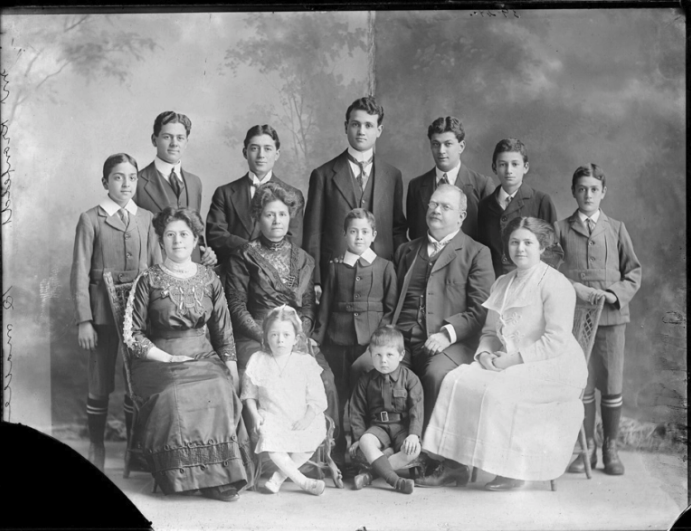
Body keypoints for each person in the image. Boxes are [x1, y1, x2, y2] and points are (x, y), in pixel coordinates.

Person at [418, 217, 588, 491]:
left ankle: (511, 471)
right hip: (504, 358)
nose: (520, 249)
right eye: (514, 242)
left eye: (528, 243)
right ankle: (453, 466)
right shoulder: (502, 283)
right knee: (456, 381)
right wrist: (484, 355)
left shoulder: (556, 284)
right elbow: (488, 332)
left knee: (499, 392)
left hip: (551, 365)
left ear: (541, 246)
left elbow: (555, 341)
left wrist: (510, 361)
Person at [123, 207, 254, 502]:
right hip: (158, 359)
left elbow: (222, 332)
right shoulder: (148, 280)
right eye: (170, 235)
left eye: (184, 234)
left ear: (195, 240)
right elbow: (134, 335)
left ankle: (218, 479)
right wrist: (166, 358)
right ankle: (183, 476)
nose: (177, 241)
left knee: (220, 387)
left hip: (203, 355)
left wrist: (231, 368)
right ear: (161, 241)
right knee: (174, 393)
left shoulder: (209, 279)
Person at [353, 184, 494, 425]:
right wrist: (385, 335)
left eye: (445, 207)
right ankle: (377, 441)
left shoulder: (476, 252)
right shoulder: (406, 250)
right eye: (433, 204)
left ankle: (427, 450)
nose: (436, 210)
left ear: (461, 217)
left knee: (436, 375)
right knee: (364, 366)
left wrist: (447, 335)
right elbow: (391, 301)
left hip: (450, 343)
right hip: (401, 340)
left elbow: (481, 309)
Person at [70, 153, 161, 472]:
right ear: (105, 182)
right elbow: (80, 272)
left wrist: (156, 315)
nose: (126, 183)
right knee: (99, 380)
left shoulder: (146, 219)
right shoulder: (90, 218)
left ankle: (132, 448)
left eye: (132, 177)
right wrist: (84, 320)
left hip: (136, 318)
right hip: (101, 317)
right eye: (119, 177)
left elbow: (156, 271)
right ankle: (96, 446)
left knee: (133, 380)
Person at [224, 182, 339, 426]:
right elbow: (236, 306)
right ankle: (267, 456)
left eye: (282, 214)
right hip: (255, 333)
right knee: (265, 378)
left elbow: (307, 308)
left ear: (290, 217)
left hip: (294, 334)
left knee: (324, 379)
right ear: (258, 217)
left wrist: (298, 337)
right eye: (269, 214)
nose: (277, 221)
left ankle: (319, 456)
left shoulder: (304, 259)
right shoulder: (243, 255)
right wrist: (265, 337)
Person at [555, 164, 642, 476]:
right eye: (582, 188)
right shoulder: (561, 229)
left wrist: (613, 294)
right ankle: (586, 447)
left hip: (612, 319)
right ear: (574, 191)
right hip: (577, 321)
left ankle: (610, 448)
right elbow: (550, 273)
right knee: (584, 384)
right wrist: (575, 290)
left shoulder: (616, 228)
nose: (588, 194)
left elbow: (633, 272)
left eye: (594, 189)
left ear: (603, 192)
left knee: (612, 384)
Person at [302, 96, 407, 300]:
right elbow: (313, 233)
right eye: (355, 124)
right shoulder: (323, 175)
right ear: (346, 126)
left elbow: (397, 230)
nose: (361, 131)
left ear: (379, 130)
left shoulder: (392, 176)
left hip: (380, 276)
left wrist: (398, 271)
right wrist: (314, 280)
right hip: (335, 276)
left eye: (369, 125)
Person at [312, 208, 397, 455]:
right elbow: (325, 306)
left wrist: (381, 342)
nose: (359, 237)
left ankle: (367, 446)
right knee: (338, 391)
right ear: (344, 235)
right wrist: (317, 338)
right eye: (353, 231)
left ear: (374, 235)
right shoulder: (336, 268)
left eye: (364, 232)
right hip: (337, 340)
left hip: (370, 342)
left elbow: (391, 310)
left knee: (367, 393)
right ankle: (337, 447)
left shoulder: (384, 267)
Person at [241, 306, 329, 496]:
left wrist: (307, 417)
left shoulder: (304, 362)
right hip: (271, 414)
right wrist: (255, 415)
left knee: (312, 435)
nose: (280, 340)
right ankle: (304, 482)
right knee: (271, 440)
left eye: (286, 335)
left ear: (296, 338)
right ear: (266, 337)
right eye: (274, 335)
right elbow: (249, 395)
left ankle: (277, 478)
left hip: (299, 414)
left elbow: (316, 397)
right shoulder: (258, 360)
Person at [206, 124, 305, 263]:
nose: (261, 155)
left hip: (275, 273)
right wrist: (252, 251)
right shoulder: (225, 193)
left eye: (267, 149)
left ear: (277, 154)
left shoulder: (293, 194)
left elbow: (293, 240)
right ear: (245, 152)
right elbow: (216, 235)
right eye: (254, 148)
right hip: (235, 269)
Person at [134, 110, 216, 265]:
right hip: (156, 271)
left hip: (193, 271)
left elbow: (195, 231)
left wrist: (205, 252)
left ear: (186, 142)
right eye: (167, 137)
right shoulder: (136, 182)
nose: (174, 143)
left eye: (180, 138)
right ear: (154, 140)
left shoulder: (194, 182)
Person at [348, 327, 423, 495]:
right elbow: (356, 411)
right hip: (378, 427)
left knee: (414, 449)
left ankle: (372, 474)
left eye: (389, 355)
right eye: (378, 355)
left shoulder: (411, 379)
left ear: (401, 355)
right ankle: (396, 481)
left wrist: (413, 435)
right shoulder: (365, 380)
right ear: (370, 354)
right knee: (366, 441)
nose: (383, 361)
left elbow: (416, 410)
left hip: (401, 428)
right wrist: (358, 438)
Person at [477, 138, 559, 278]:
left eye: (515, 164)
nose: (509, 170)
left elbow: (553, 251)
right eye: (503, 164)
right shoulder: (485, 206)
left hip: (529, 283)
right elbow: (481, 250)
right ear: (494, 168)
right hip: (494, 283)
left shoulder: (541, 201)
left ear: (525, 167)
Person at [406, 116, 495, 242]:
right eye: (436, 144)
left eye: (448, 144)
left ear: (461, 146)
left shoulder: (482, 185)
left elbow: (491, 236)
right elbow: (415, 233)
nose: (441, 151)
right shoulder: (416, 186)